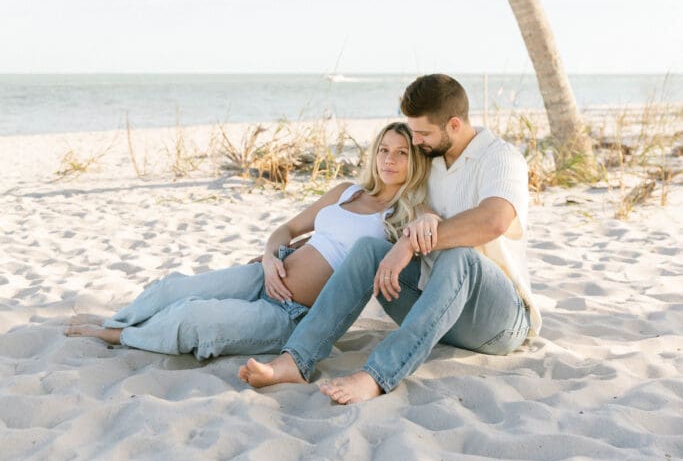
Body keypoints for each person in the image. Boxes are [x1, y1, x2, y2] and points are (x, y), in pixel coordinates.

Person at [240, 73, 542, 402]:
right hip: (434, 310)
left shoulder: (500, 158)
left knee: (460, 256)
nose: (415, 142)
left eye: (423, 133)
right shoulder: (429, 161)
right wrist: (299, 246)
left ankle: (376, 375)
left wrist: (409, 243)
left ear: (454, 125)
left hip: (496, 321)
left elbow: (493, 220)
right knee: (369, 249)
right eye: (413, 132)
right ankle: (295, 361)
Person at [65, 122, 429, 360]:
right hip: (265, 274)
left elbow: (431, 225)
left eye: (401, 152)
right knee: (169, 290)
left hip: (291, 314)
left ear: (414, 160)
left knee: (194, 319)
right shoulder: (344, 191)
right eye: (384, 149)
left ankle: (119, 336)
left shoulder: (404, 213)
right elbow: (285, 230)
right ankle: (120, 319)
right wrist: (271, 260)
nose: (390, 159)